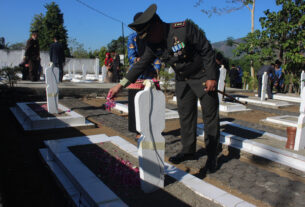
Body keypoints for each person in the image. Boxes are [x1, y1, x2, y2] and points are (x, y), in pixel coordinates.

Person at [108, 4, 220, 173]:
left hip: (203, 76)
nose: (148, 41)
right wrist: (120, 85)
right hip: (183, 80)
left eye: (148, 35)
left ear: (157, 25)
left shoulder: (183, 29)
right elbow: (139, 66)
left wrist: (211, 76)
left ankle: (212, 158)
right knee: (185, 115)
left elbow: (206, 49)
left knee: (210, 117)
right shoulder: (154, 44)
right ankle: (188, 151)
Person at [127, 12, 161, 141]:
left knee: (150, 103)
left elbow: (157, 56)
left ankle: (150, 128)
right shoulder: (132, 38)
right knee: (135, 105)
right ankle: (137, 131)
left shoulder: (152, 37)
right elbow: (131, 55)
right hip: (136, 75)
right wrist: (139, 60)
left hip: (150, 75)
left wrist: (157, 69)